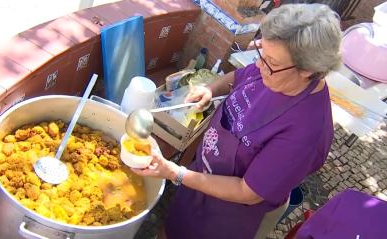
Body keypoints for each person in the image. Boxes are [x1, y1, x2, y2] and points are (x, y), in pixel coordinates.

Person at [132, 3, 342, 239]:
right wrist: (211, 89)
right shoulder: (274, 70)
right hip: (198, 178)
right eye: (261, 52)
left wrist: (175, 173)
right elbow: (241, 74)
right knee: (170, 230)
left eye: (270, 62)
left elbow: (247, 192)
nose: (260, 65)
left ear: (308, 70)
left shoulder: (306, 132)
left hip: (230, 214)